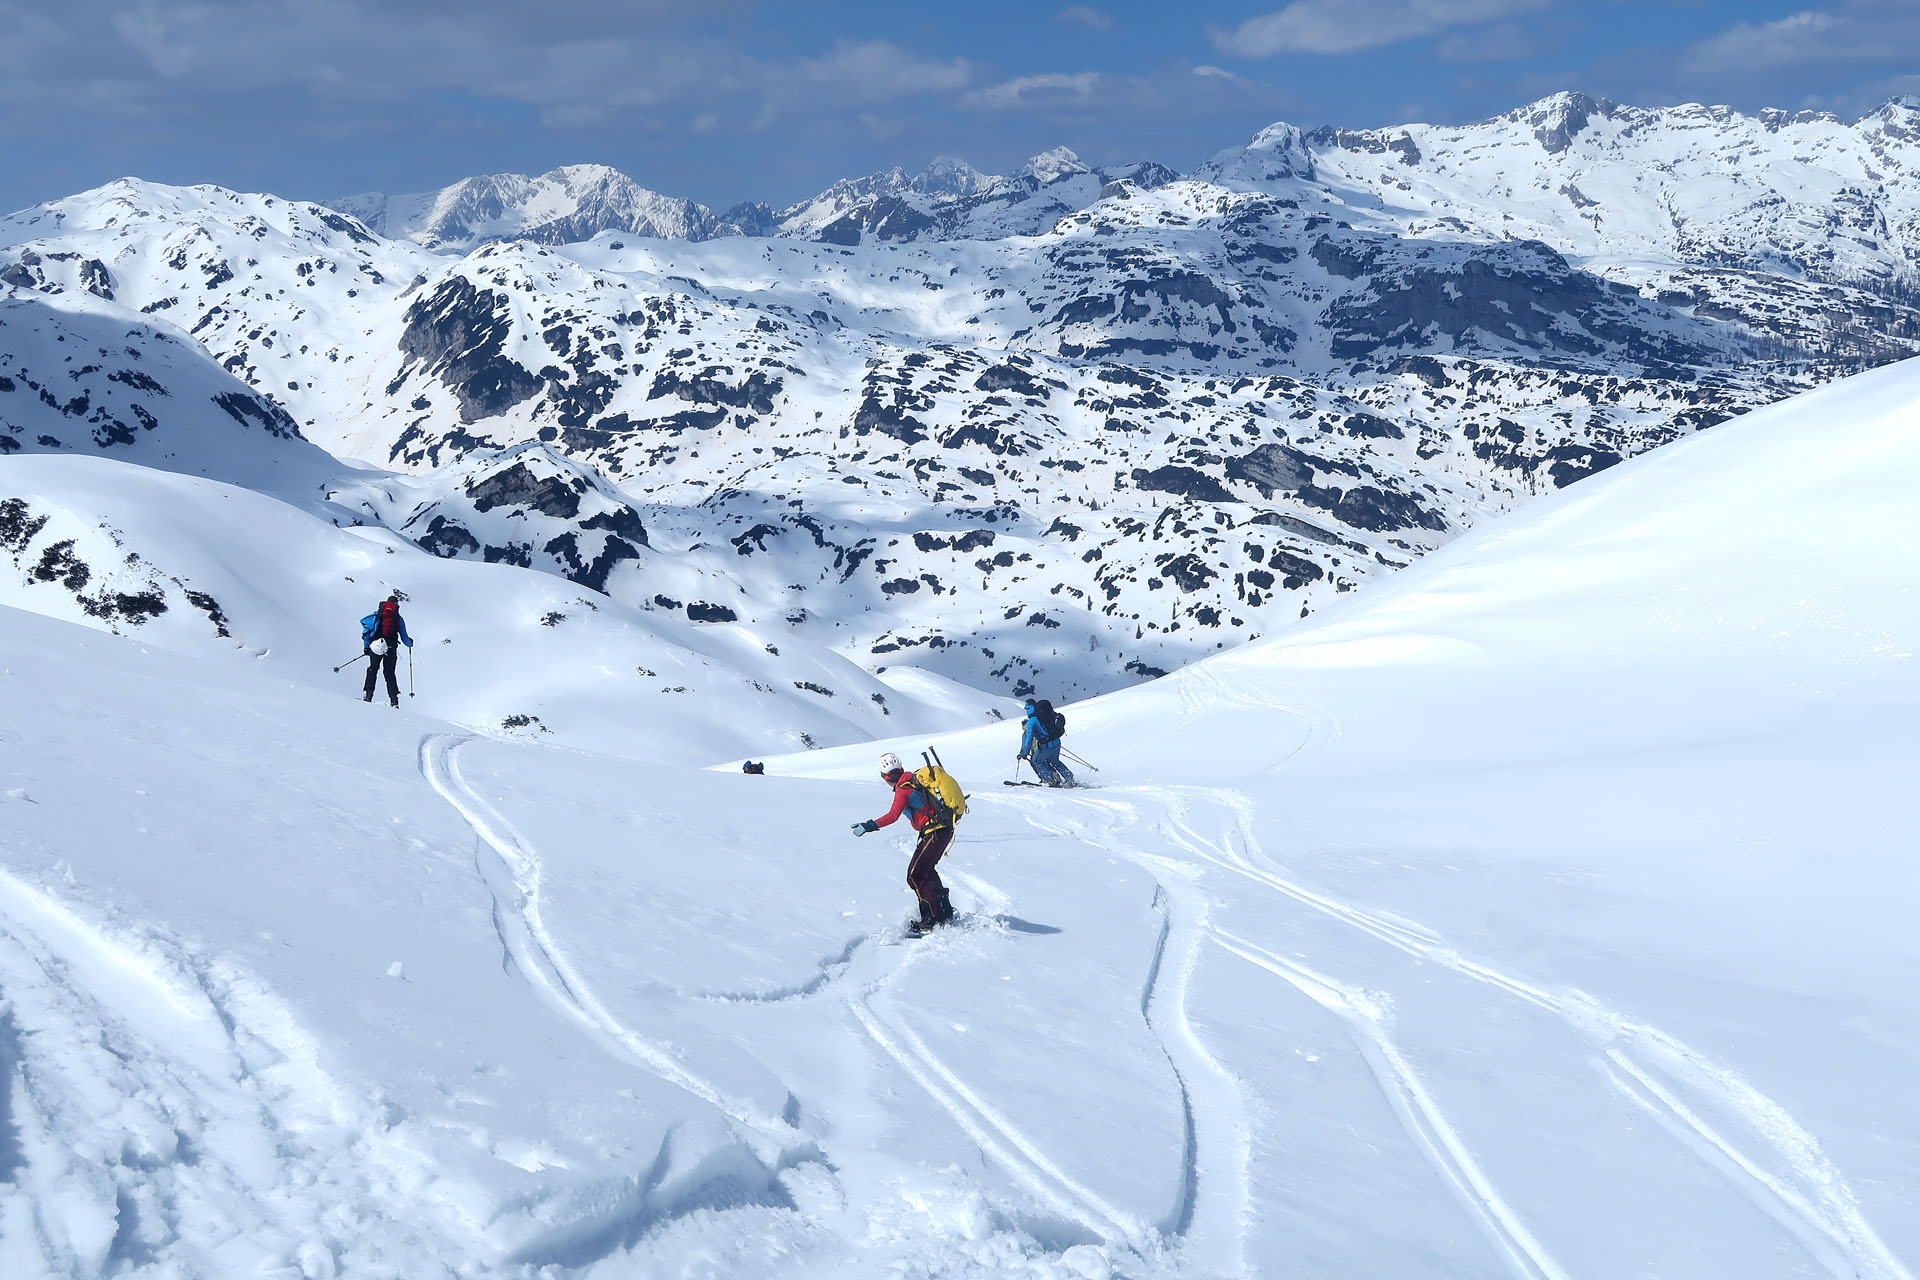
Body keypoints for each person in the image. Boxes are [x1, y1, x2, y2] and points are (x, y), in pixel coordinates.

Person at [852, 752, 955, 935]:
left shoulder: (903, 788)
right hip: (942, 830)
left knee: (915, 875)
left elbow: (893, 816)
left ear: (885, 777)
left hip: (936, 831)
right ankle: (944, 913)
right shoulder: (912, 780)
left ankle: (932, 920)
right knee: (925, 870)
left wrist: (869, 825)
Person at [359, 594, 413, 707]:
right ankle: (394, 700)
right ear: (397, 605)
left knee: (373, 669)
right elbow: (404, 638)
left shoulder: (377, 615)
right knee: (389, 673)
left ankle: (368, 695)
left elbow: (368, 631)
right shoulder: (398, 618)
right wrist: (410, 643)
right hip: (391, 648)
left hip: (376, 646)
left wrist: (366, 647)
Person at [1019, 698, 1075, 787]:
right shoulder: (1047, 713)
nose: (1025, 711)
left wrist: (1024, 753)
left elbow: (1029, 739)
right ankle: (1069, 778)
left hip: (1046, 745)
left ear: (1029, 709)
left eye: (1026, 709)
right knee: (1055, 761)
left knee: (1036, 761)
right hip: (1056, 742)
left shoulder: (1032, 721)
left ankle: (1050, 780)